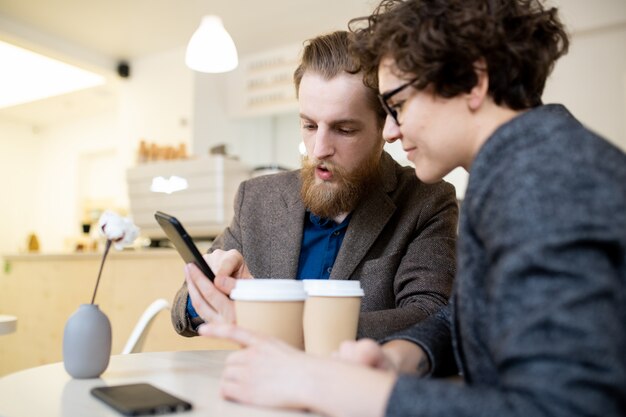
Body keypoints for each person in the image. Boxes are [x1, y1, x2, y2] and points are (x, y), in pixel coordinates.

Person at [196, 1, 626, 416]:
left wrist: (332, 386)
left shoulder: (546, 182)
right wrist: (403, 356)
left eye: (397, 105)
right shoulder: (524, 165)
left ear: (473, 81)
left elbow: (566, 408)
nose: (390, 132)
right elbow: (463, 318)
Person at [172, 30, 458, 341]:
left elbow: (431, 315)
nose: (319, 148)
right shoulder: (256, 198)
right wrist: (206, 289)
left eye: (344, 129)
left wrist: (287, 324)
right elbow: (182, 315)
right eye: (309, 125)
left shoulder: (426, 200)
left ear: (384, 127)